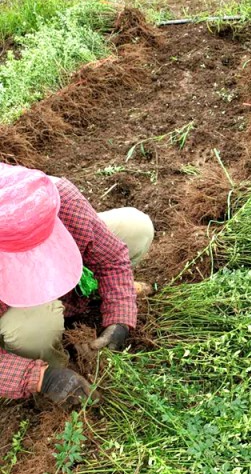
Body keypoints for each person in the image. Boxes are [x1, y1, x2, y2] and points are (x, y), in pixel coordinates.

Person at [0, 163, 154, 406]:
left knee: (136, 227)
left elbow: (111, 258)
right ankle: (51, 370)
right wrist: (43, 378)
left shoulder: (54, 196)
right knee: (34, 328)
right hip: (14, 312)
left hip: (70, 283)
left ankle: (92, 292)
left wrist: (119, 319)